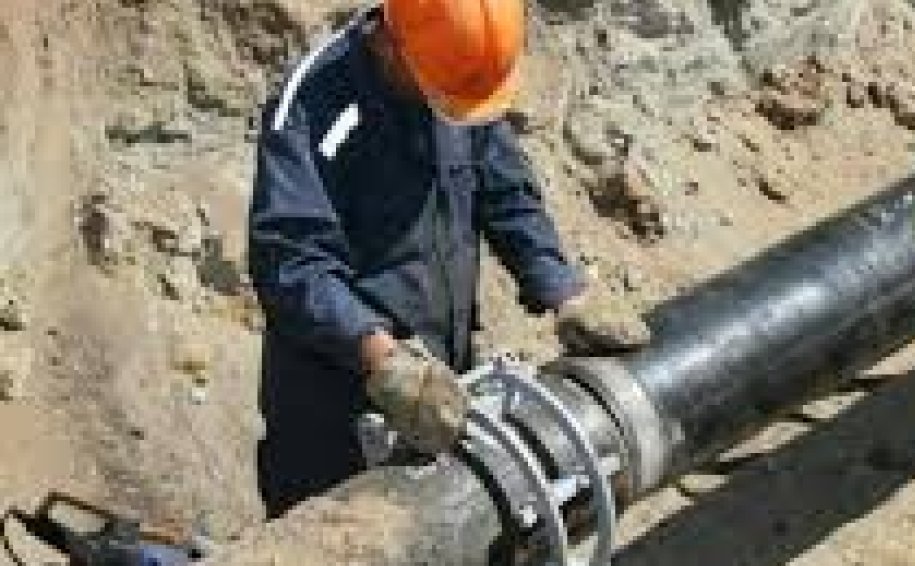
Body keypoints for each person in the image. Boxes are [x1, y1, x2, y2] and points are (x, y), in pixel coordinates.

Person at [247, 0, 650, 518]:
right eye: (437, 93)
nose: (448, 110)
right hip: (334, 404)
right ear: (390, 44)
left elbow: (506, 193)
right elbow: (292, 261)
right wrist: (381, 357)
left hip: (438, 376)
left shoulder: (455, 71)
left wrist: (562, 291)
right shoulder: (312, 109)